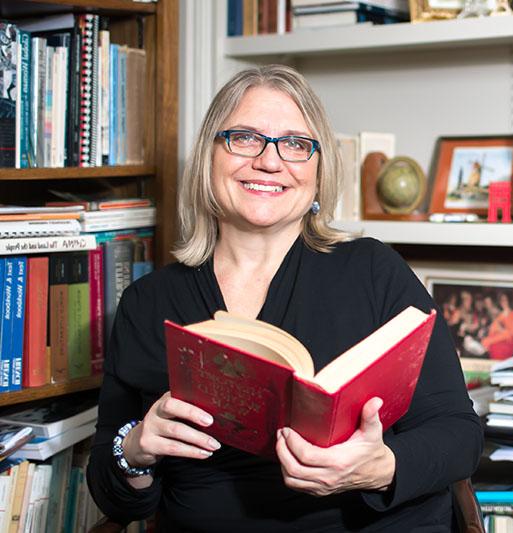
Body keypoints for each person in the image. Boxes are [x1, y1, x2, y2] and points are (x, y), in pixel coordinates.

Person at [86, 65, 483, 532]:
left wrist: (378, 467)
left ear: (317, 171)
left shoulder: (374, 272)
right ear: (209, 157)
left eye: (296, 144)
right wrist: (135, 451)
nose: (270, 162)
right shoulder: (148, 301)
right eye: (245, 138)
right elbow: (113, 491)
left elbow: (460, 435)